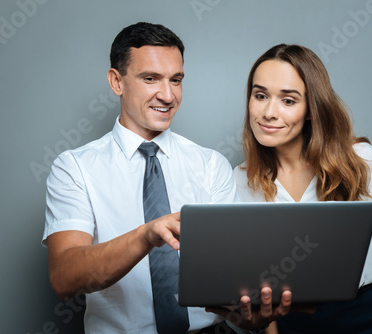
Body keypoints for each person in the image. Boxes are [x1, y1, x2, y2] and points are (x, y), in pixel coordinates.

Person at [42, 22, 290, 334]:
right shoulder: (75, 168)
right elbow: (64, 277)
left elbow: (228, 278)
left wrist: (251, 318)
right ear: (116, 81)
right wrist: (145, 236)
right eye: (151, 79)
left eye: (176, 80)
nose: (168, 95)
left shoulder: (211, 165)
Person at [234, 44, 372, 334]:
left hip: (370, 320)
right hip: (293, 323)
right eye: (260, 95)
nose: (268, 113)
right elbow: (259, 283)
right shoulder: (239, 181)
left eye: (288, 100)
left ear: (312, 109)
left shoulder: (361, 161)